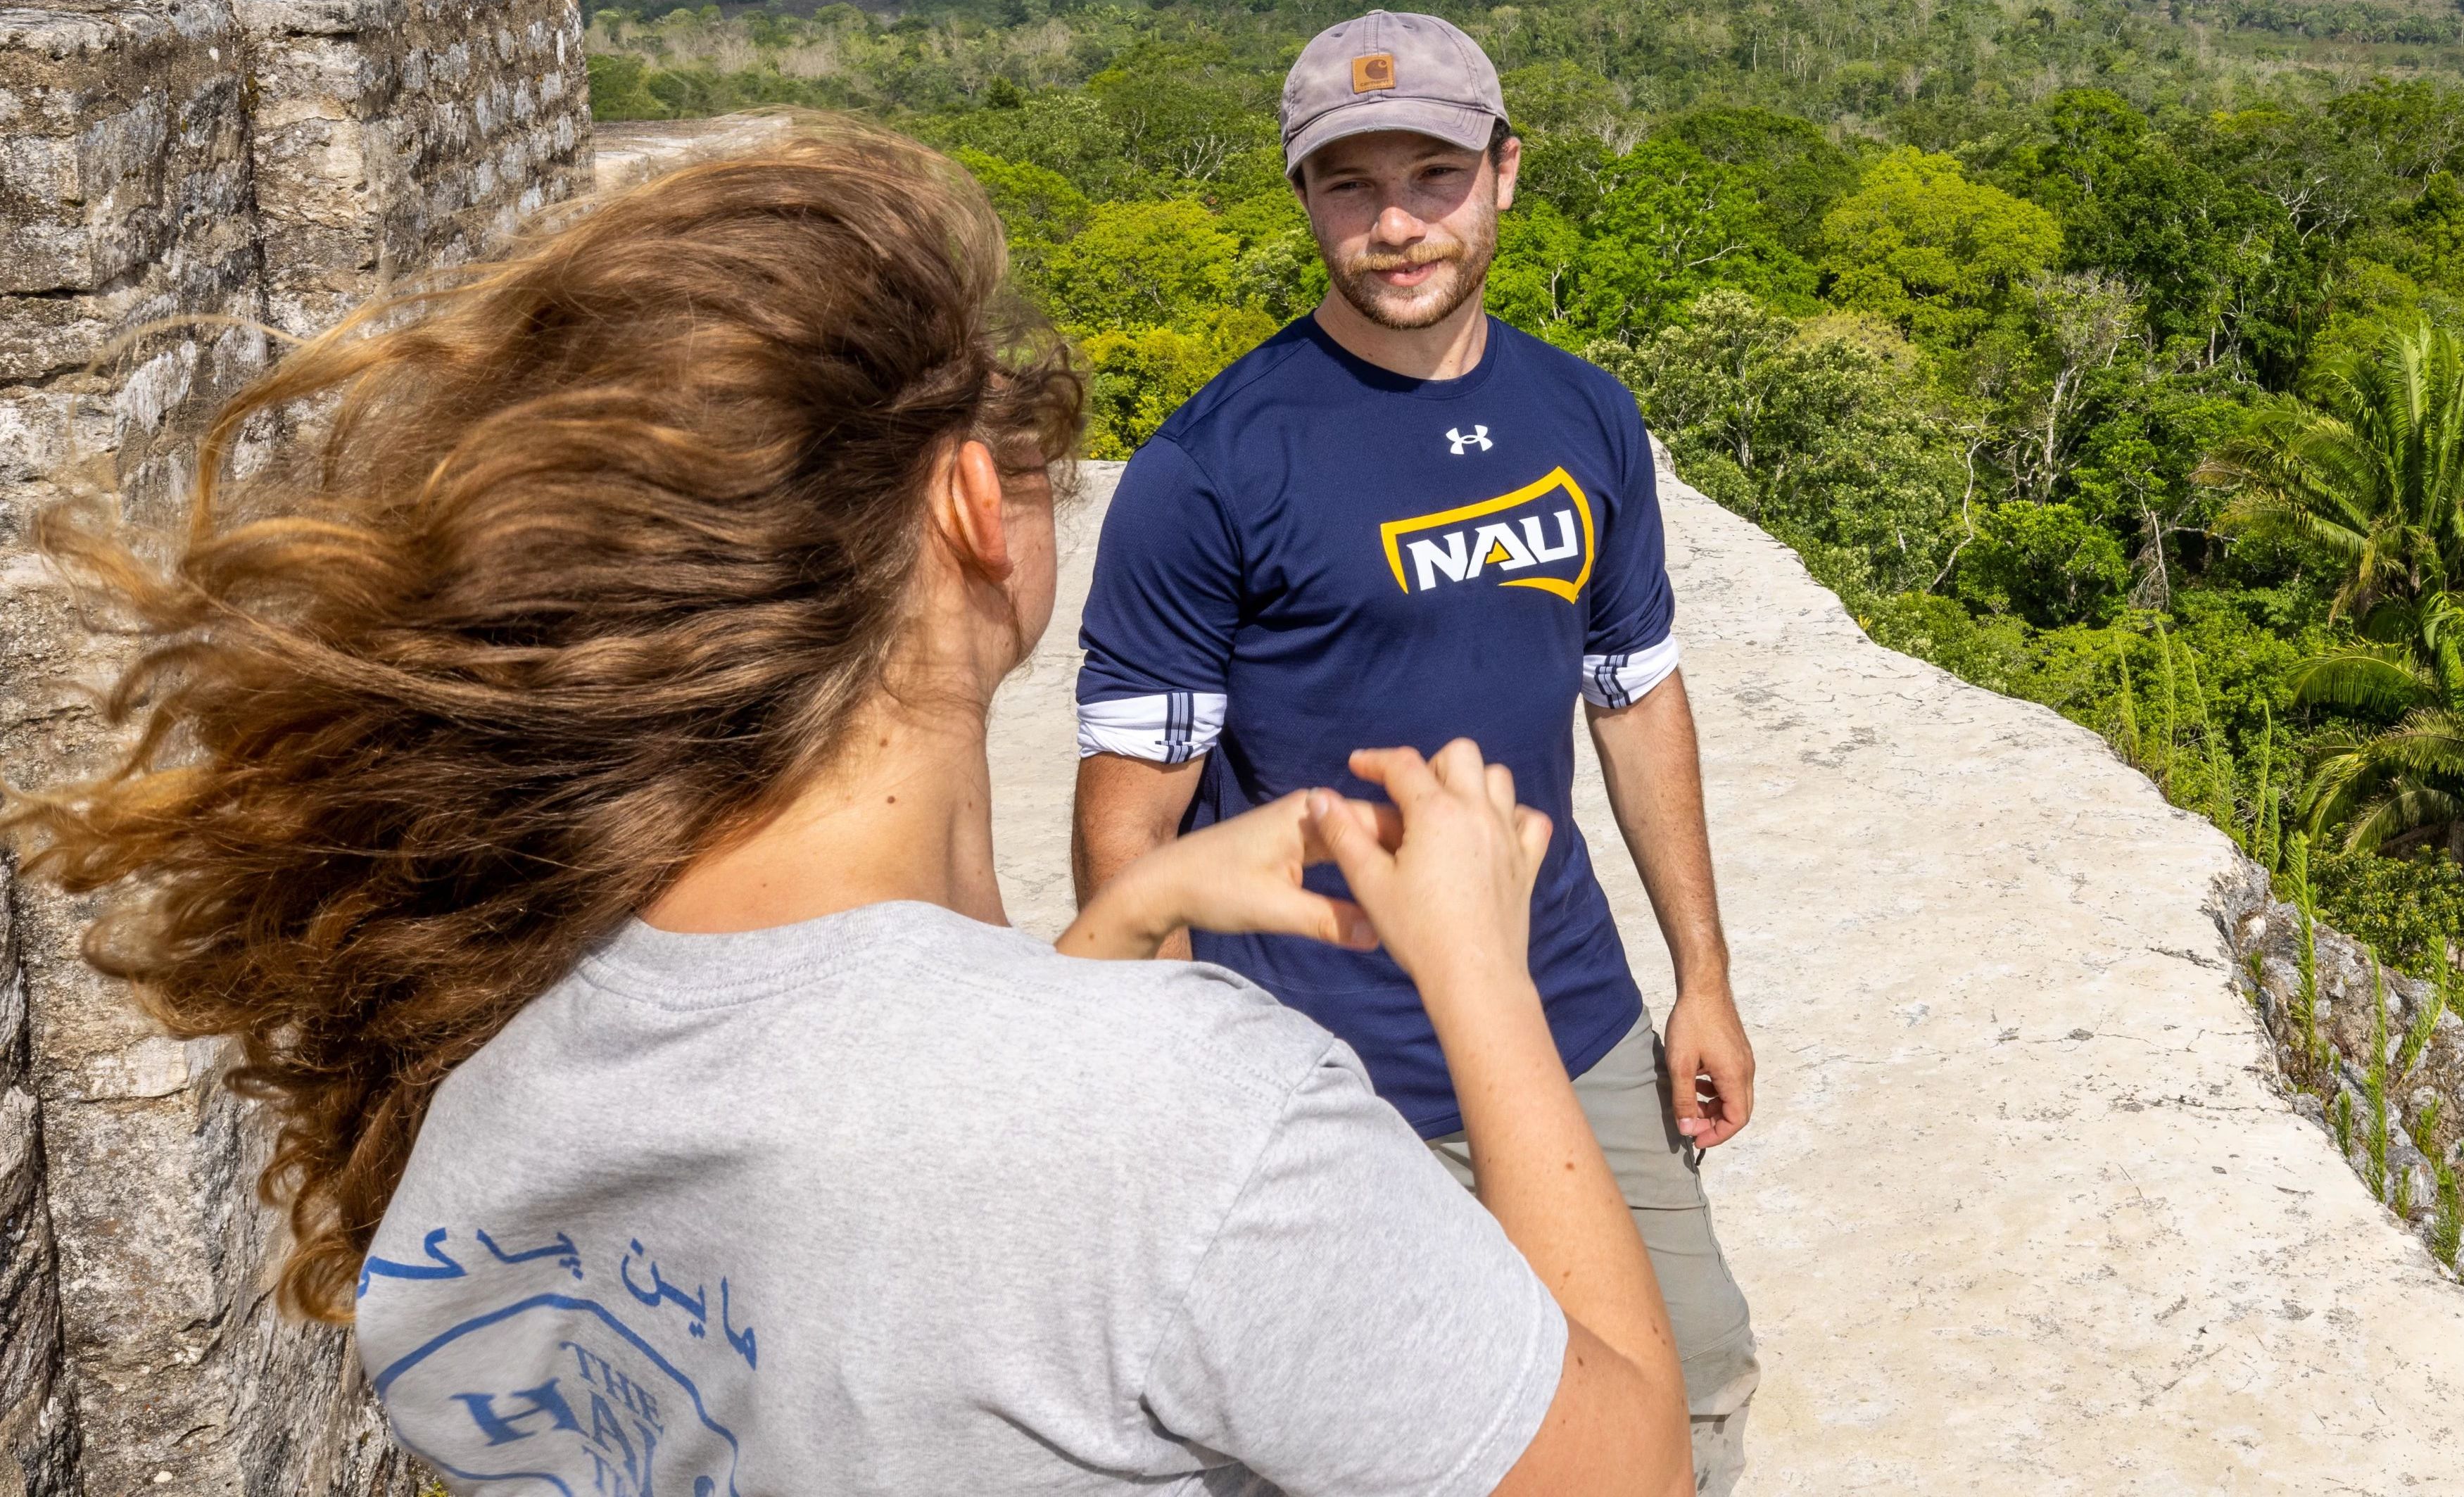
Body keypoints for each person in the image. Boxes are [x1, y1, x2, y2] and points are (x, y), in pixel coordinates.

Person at [10, 121, 1691, 1497]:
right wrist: (1478, 967)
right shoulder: (1193, 1120)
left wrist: (1110, 930)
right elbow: (1623, 1475)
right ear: (975, 503)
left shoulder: (491, 1032)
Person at [1072, 12, 1761, 1489]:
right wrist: (1184, 1096)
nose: (1394, 226)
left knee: (1685, 1394)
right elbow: (1131, 828)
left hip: (1567, 1015)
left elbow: (1634, 699)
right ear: (1304, 199)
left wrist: (1700, 979)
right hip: (1324, 1065)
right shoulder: (1211, 467)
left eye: (1433, 175)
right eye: (1349, 184)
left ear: (1506, 176)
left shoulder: (1583, 416)